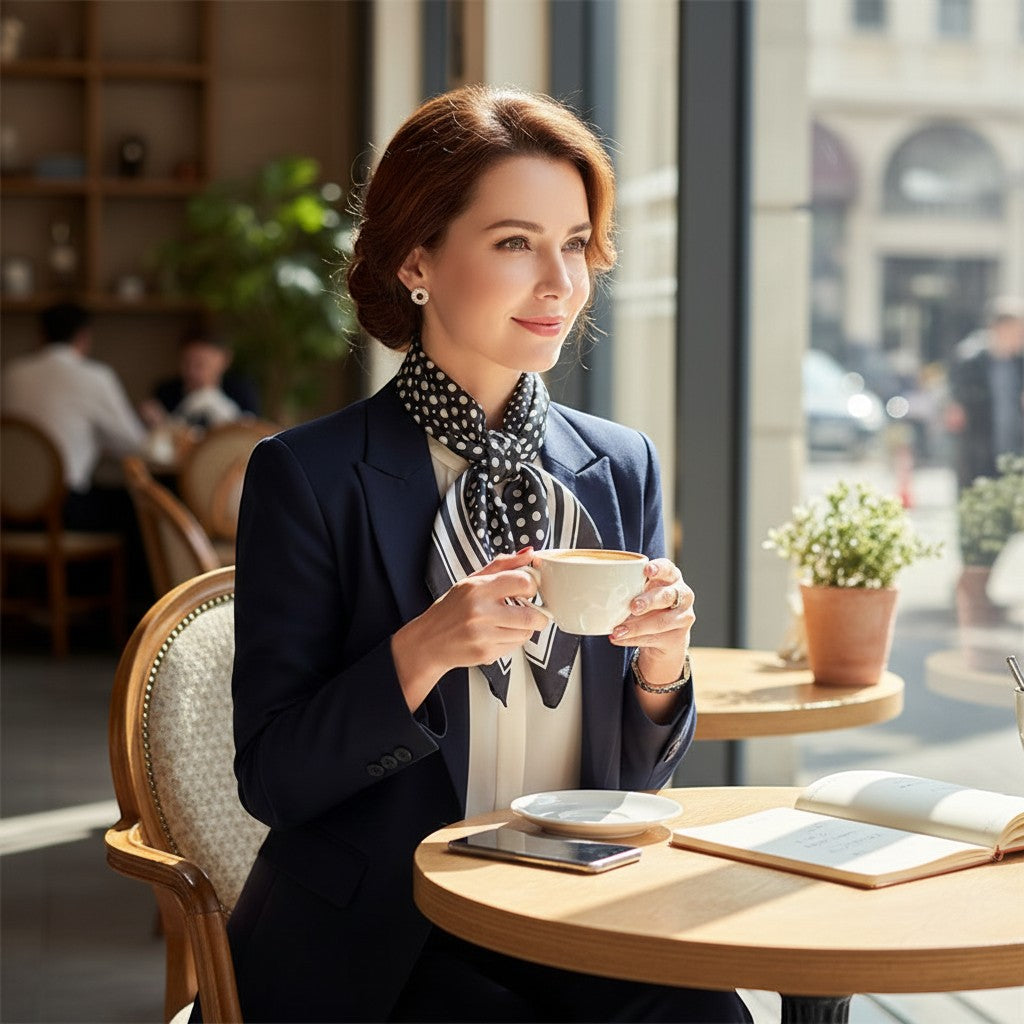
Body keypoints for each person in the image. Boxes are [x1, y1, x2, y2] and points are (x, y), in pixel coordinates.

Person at [216, 86, 750, 1024]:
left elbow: (631, 781)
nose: (560, 281)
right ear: (417, 260)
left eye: (576, 244)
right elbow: (274, 779)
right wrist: (420, 650)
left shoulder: (619, 465)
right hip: (389, 932)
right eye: (515, 243)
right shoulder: (308, 475)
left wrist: (662, 668)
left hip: (577, 908)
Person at [1, 302, 147, 530]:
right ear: (84, 337)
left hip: (10, 508)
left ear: (40, 336)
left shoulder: (11, 373)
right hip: (66, 508)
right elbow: (135, 444)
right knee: (137, 506)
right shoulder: (95, 376)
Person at [946, 295, 1024, 489]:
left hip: (1015, 457)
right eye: (1018, 330)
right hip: (979, 458)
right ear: (1000, 328)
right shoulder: (970, 363)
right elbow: (956, 409)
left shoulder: (1019, 364)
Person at [140, 330, 261, 431]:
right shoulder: (165, 392)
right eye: (186, 363)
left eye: (200, 364)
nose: (191, 371)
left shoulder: (242, 390)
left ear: (225, 361)